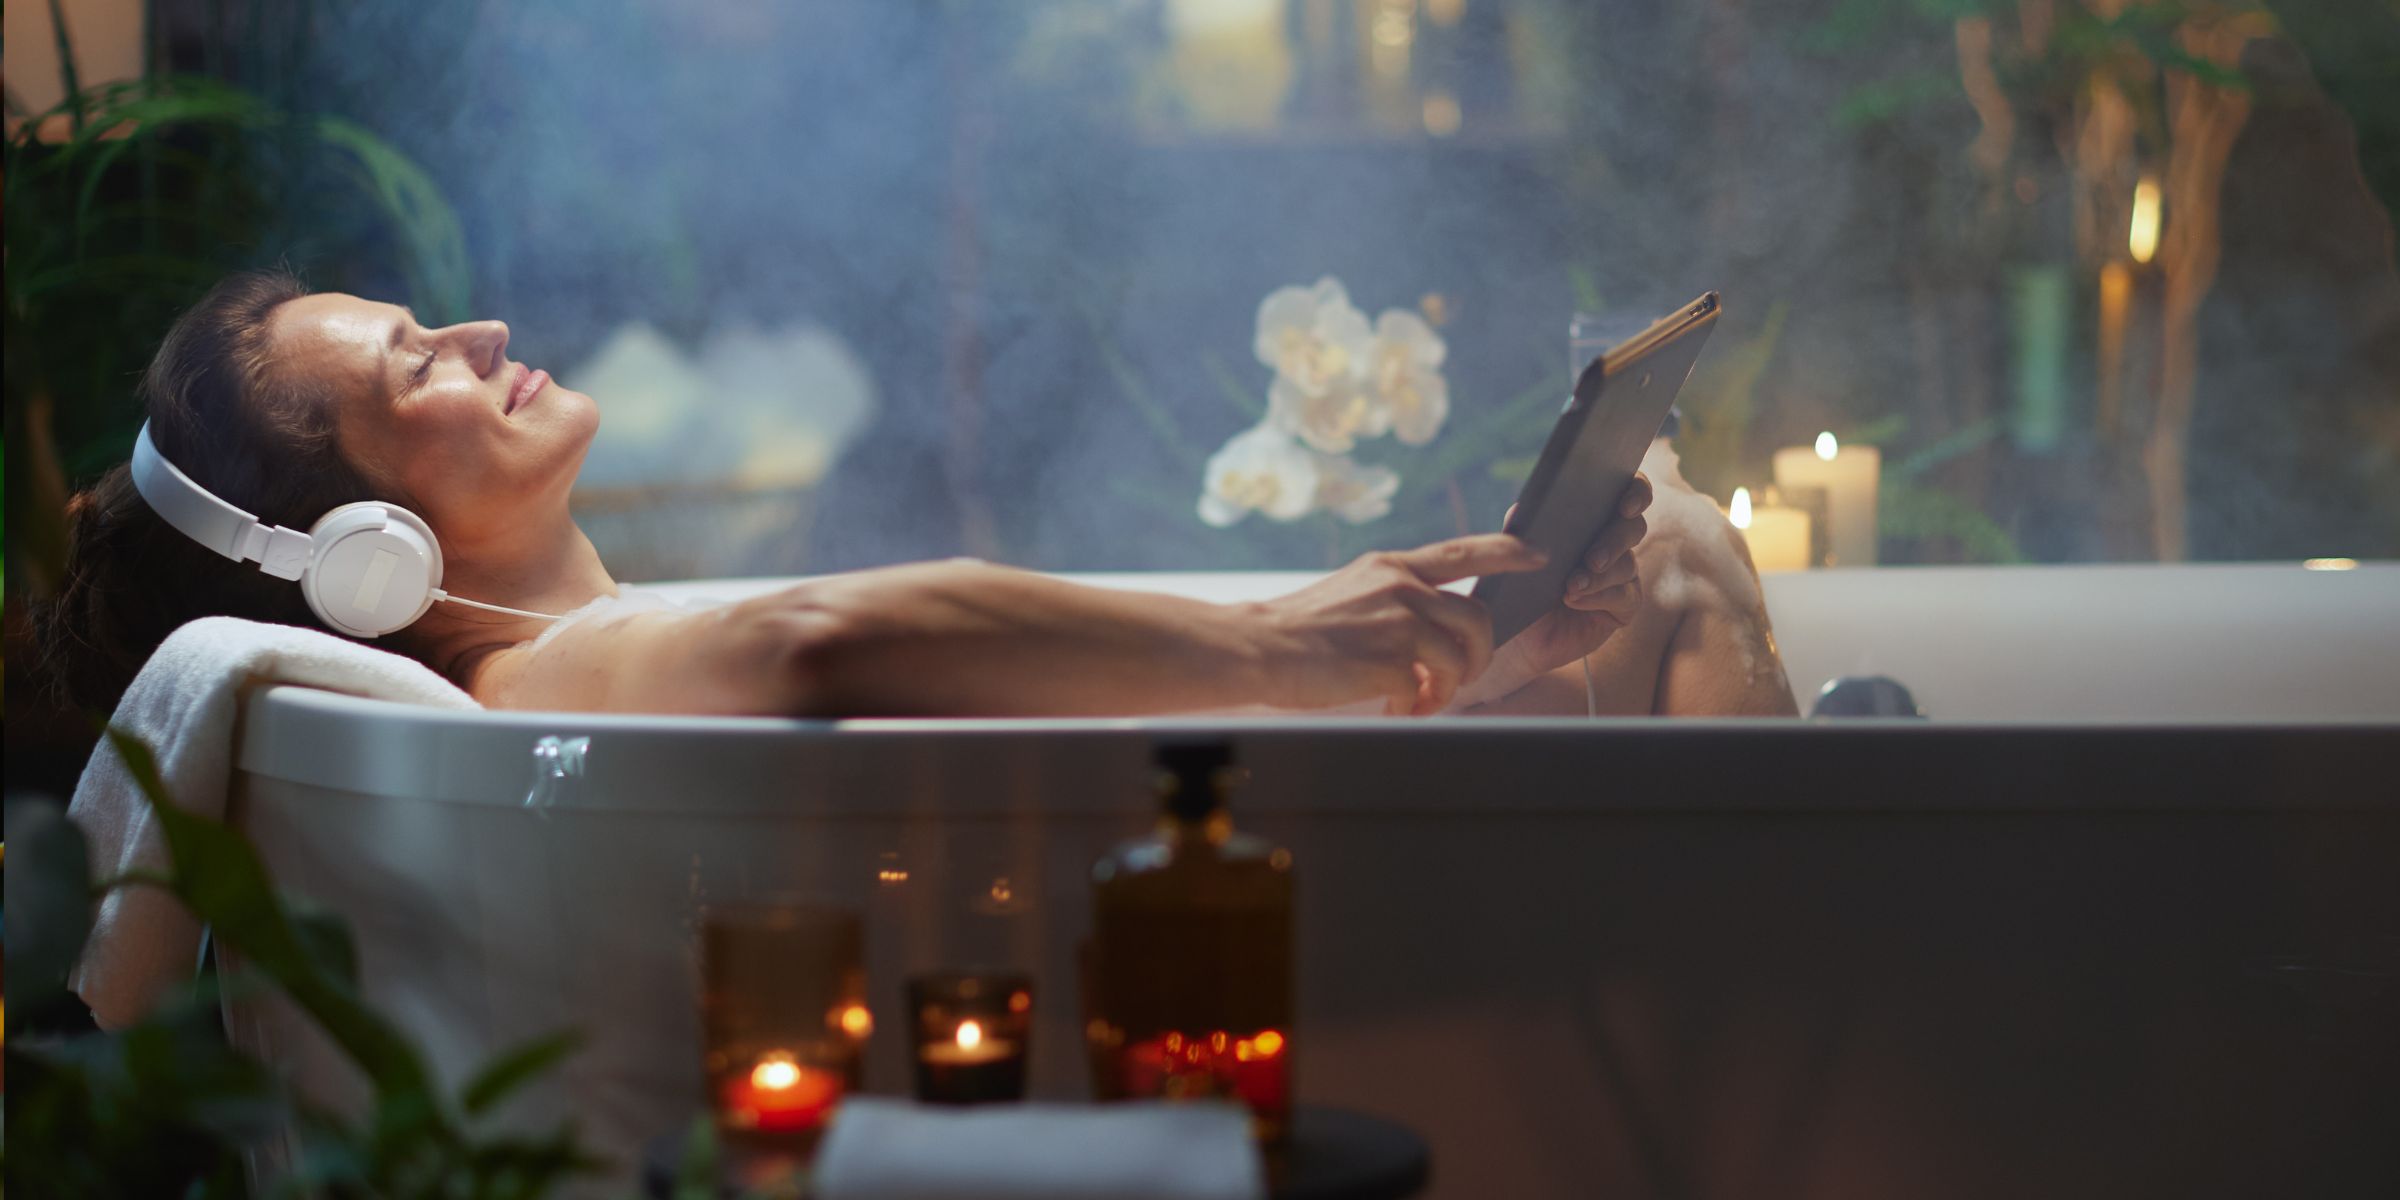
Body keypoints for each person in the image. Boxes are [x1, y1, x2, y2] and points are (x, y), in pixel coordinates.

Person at [39, 270, 1668, 720]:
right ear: (366, 555)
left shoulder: (614, 645)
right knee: (1704, 576)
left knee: (1666, 591)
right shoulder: (546, 673)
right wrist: (1282, 644)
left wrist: (1467, 660)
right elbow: (817, 640)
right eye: (419, 372)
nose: (478, 338)